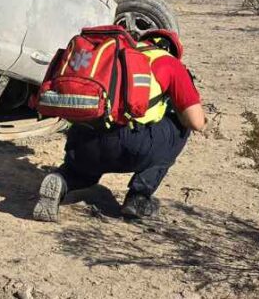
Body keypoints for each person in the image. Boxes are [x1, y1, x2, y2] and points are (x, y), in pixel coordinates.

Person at [33, 29, 205, 222]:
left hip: (82, 141)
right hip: (129, 146)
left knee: (85, 171)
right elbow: (196, 122)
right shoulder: (169, 62)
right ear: (172, 50)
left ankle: (62, 179)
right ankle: (138, 198)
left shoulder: (116, 56)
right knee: (181, 128)